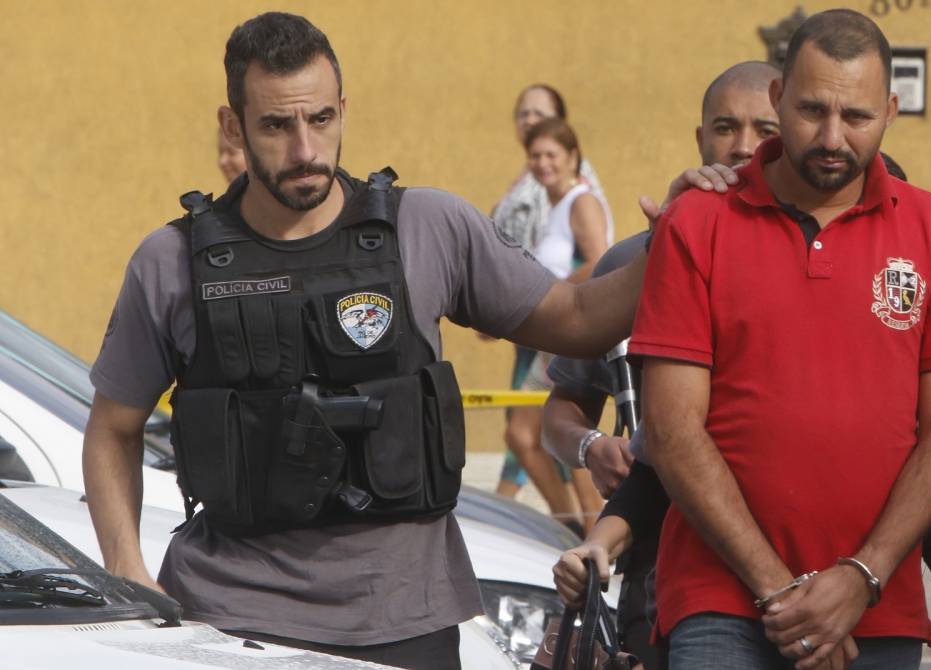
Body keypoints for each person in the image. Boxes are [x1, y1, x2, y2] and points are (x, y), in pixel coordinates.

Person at [81, 13, 649, 670]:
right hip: (227, 628)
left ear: (344, 109)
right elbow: (112, 428)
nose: (304, 150)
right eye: (276, 125)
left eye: (321, 120)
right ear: (232, 125)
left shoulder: (429, 227)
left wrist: (683, 238)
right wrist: (128, 570)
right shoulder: (170, 261)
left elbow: (578, 316)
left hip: (407, 624)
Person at [631, 10, 931, 670]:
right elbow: (670, 431)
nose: (832, 137)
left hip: (874, 608)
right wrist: (781, 590)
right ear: (779, 100)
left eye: (857, 117)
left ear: (891, 110)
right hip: (720, 601)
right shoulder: (698, 223)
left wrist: (861, 576)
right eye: (811, 111)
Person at [545, 60, 781, 668]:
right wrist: (592, 445)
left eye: (764, 127)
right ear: (699, 138)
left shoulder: (802, 260)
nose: (743, 145)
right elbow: (561, 411)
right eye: (725, 126)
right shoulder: (630, 261)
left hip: (791, 571)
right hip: (654, 573)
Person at [491, 84, 610, 529]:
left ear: (572, 156)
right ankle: (574, 524)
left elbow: (602, 260)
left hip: (569, 339)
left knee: (553, 436)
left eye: (551, 155)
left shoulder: (581, 201)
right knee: (525, 435)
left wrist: (550, 288)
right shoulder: (556, 204)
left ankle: (593, 526)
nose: (542, 164)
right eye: (535, 156)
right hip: (549, 340)